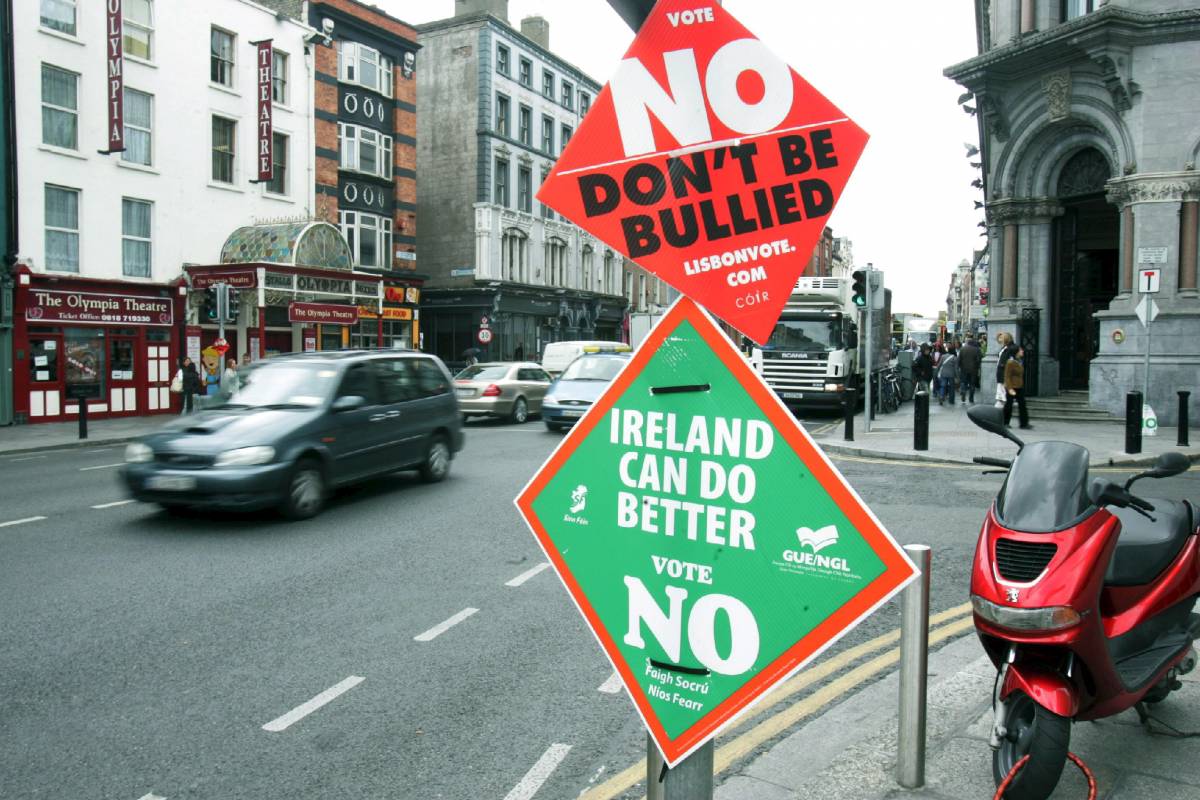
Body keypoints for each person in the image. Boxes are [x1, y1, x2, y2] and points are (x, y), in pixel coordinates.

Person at [1003, 346, 1032, 429]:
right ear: (1016, 352)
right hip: (1012, 386)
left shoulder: (1019, 361)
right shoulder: (1010, 362)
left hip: (1019, 386)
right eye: (1020, 350)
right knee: (1009, 405)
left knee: (1022, 404)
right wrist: (1009, 388)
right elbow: (1007, 376)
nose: (1022, 351)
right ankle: (1005, 422)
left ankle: (1024, 423)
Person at [994, 332, 1018, 407]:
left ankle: (1003, 402)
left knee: (1003, 388)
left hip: (1004, 371)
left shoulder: (1010, 348)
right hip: (1001, 371)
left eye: (1002, 338)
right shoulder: (1004, 348)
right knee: (1001, 387)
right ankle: (1002, 402)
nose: (1000, 340)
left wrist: (1003, 365)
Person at [957, 335, 981, 404]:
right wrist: (977, 366)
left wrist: (958, 367)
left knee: (963, 382)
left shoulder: (962, 349)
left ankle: (963, 391)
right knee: (972, 384)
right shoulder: (976, 349)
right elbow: (979, 360)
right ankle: (971, 398)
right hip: (973, 370)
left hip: (964, 369)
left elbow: (959, 360)